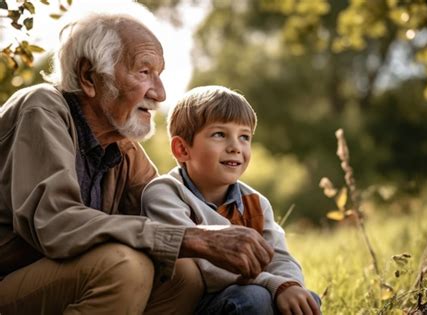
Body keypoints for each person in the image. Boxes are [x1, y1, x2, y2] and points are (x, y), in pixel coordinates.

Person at [0, 3, 274, 314]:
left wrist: (271, 277)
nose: (160, 93)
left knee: (184, 273)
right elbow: (55, 222)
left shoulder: (123, 149)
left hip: (52, 282)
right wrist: (190, 237)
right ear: (89, 76)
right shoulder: (42, 108)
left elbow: (174, 211)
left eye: (159, 75)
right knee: (124, 265)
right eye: (144, 72)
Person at [141, 85, 322, 315]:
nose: (236, 147)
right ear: (182, 149)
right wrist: (272, 284)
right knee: (255, 298)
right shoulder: (165, 193)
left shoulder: (255, 202)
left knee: (305, 300)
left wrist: (289, 285)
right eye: (219, 134)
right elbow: (205, 268)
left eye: (244, 137)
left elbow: (280, 258)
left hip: (245, 294)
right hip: (192, 303)